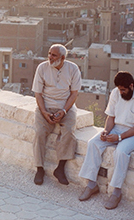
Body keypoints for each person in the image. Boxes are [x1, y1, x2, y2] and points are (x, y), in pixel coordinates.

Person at [78, 71, 134, 210]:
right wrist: (106, 131)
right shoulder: (116, 93)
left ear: (131, 86)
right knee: (93, 143)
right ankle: (91, 185)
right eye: (119, 89)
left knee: (121, 151)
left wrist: (119, 137)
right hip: (116, 128)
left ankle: (116, 192)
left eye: (123, 89)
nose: (121, 92)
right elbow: (111, 117)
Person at [32, 44, 81, 186]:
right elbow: (38, 93)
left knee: (69, 132)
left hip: (65, 106)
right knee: (40, 132)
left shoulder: (73, 69)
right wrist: (44, 112)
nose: (50, 57)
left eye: (54, 55)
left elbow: (74, 94)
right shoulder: (42, 68)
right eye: (49, 53)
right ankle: (39, 168)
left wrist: (64, 111)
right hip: (45, 106)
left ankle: (60, 168)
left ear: (63, 58)